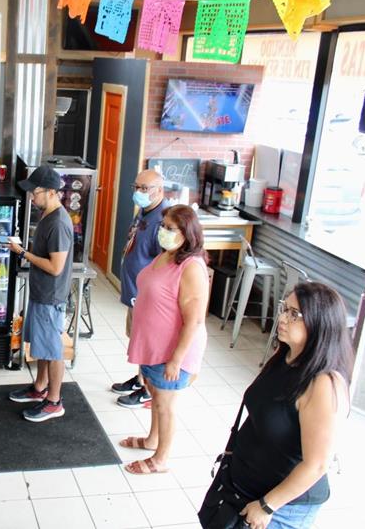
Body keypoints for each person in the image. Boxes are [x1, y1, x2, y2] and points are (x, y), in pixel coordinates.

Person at [200, 282, 352, 529]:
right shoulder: (287, 355)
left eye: (294, 314)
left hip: (280, 507)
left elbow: (317, 464)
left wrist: (267, 505)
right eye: (284, 309)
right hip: (241, 487)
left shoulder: (323, 383)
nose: (282, 318)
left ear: (320, 323)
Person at [119, 204, 209, 474]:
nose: (163, 232)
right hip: (153, 346)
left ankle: (160, 459)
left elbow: (194, 319)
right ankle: (151, 440)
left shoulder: (191, 267)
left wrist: (176, 360)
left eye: (170, 229)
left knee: (165, 404)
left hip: (172, 352)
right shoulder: (166, 255)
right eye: (163, 226)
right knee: (155, 395)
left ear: (187, 234)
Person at [7, 165, 74, 422]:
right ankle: (39, 388)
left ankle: (54, 401)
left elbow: (56, 267)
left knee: (52, 350)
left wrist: (22, 253)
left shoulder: (58, 223)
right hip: (41, 292)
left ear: (51, 192)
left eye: (34, 192)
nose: (31, 197)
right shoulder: (48, 213)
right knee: (43, 346)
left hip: (50, 295)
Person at [111, 169, 169, 409]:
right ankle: (139, 378)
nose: (138, 193)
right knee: (135, 337)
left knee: (145, 342)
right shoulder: (145, 211)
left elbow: (164, 263)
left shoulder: (164, 221)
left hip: (147, 296)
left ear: (159, 190)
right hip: (134, 291)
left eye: (144, 189)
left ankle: (146, 389)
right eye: (136, 187)